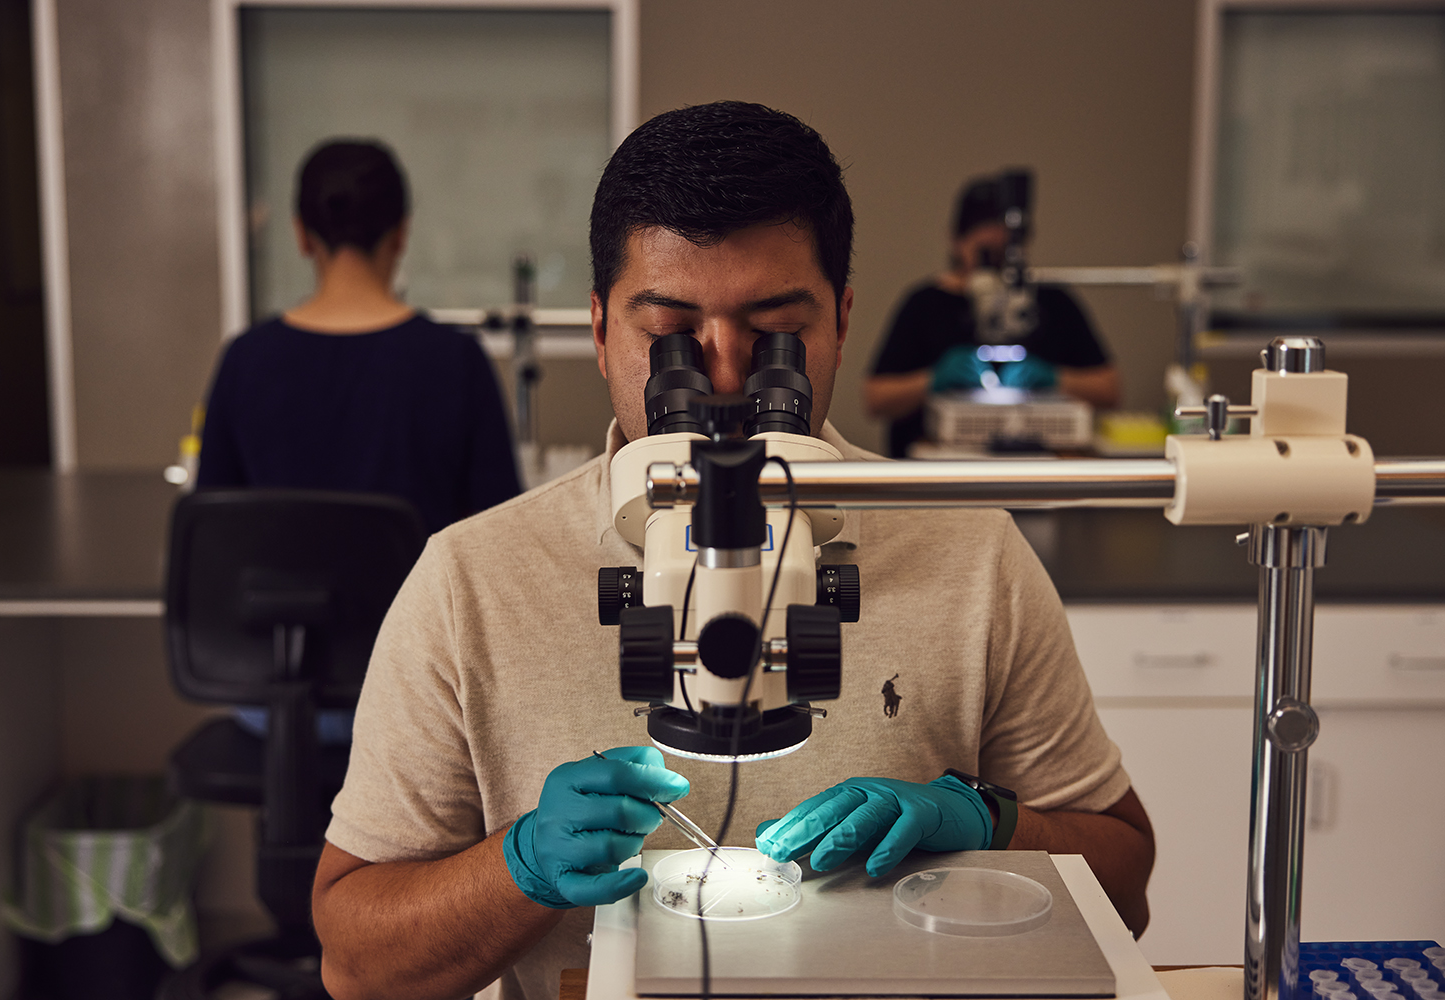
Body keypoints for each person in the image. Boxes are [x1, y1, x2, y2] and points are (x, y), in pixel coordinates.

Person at [311, 104, 1154, 1000]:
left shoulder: (972, 553)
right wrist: (516, 867)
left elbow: (1126, 882)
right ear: (599, 331)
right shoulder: (469, 581)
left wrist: (985, 822)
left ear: (839, 323)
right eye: (671, 336)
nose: (721, 381)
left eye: (773, 336)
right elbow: (357, 966)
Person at [197, 139, 521, 741]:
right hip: (416, 702)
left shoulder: (245, 362)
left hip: (271, 700)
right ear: (400, 234)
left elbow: (214, 535)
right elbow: (498, 544)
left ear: (301, 234)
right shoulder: (454, 363)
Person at [864, 174, 1122, 457]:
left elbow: (1109, 389)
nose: (992, 269)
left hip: (1042, 468)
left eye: (1001, 257)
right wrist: (934, 379)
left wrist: (1054, 379)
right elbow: (875, 398)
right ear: (956, 241)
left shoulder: (1054, 301)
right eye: (985, 255)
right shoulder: (923, 304)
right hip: (940, 470)